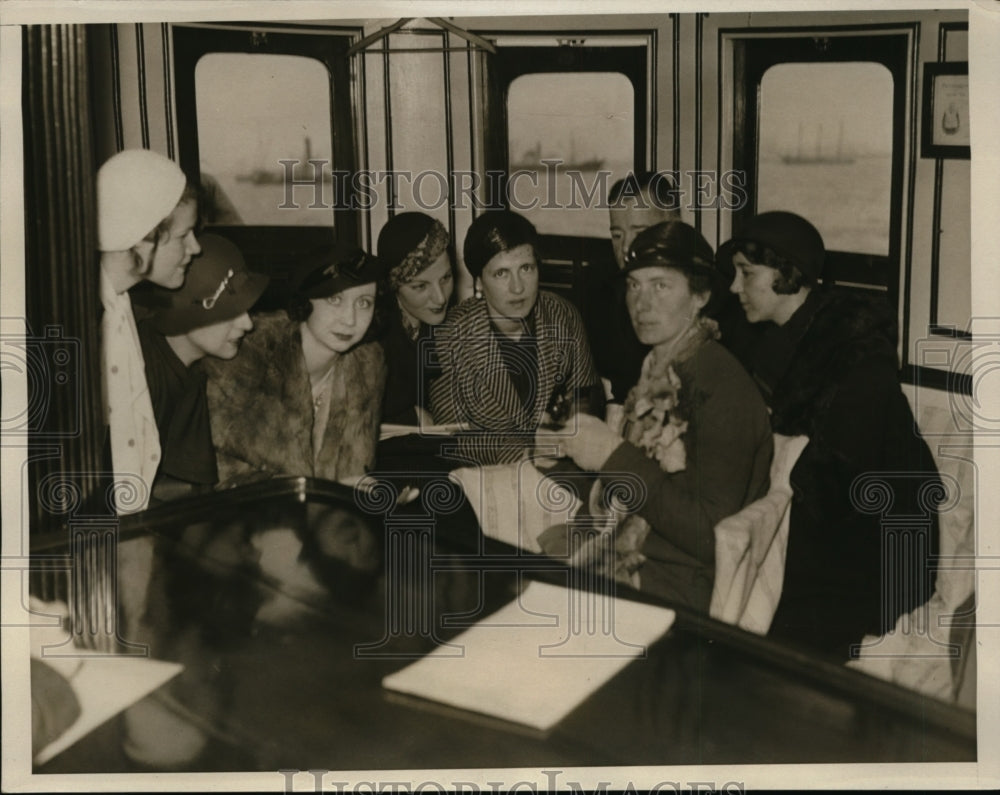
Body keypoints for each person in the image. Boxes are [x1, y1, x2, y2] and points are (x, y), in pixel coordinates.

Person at [723, 210, 939, 659]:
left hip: (881, 550)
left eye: (746, 273)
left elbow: (835, 482)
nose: (733, 287)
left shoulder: (855, 356)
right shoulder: (773, 340)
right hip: (823, 528)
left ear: (786, 272)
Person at [536, 220, 773, 611]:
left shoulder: (720, 386)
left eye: (661, 285)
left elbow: (707, 534)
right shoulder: (659, 369)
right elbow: (640, 487)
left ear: (700, 295)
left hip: (673, 586)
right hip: (632, 555)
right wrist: (562, 456)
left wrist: (611, 456)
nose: (641, 304)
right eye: (634, 285)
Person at [203, 242, 386, 487]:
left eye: (364, 303)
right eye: (334, 299)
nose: (350, 319)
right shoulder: (249, 355)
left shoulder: (367, 366)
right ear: (306, 299)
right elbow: (219, 474)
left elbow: (353, 471)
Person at [429, 210, 604, 465]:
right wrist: (529, 453)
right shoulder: (450, 336)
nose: (518, 287)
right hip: (485, 480)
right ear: (479, 282)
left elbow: (586, 398)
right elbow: (452, 435)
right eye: (501, 273)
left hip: (561, 469)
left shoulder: (563, 316)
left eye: (526, 268)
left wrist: (573, 430)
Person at [97, 148, 201, 513]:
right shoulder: (81, 321)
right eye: (184, 235)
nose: (195, 248)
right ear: (143, 236)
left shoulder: (120, 305)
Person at [130, 233, 268, 502]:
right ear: (188, 308)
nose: (247, 324)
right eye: (231, 311)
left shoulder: (189, 370)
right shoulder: (140, 371)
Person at [583, 171, 680, 405]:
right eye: (617, 235)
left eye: (639, 232)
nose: (626, 247)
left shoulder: (702, 292)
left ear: (672, 226)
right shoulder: (596, 288)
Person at [376, 212, 454, 426]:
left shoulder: (450, 326)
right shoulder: (373, 337)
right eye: (420, 286)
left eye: (446, 278)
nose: (440, 298)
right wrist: (410, 417)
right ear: (394, 287)